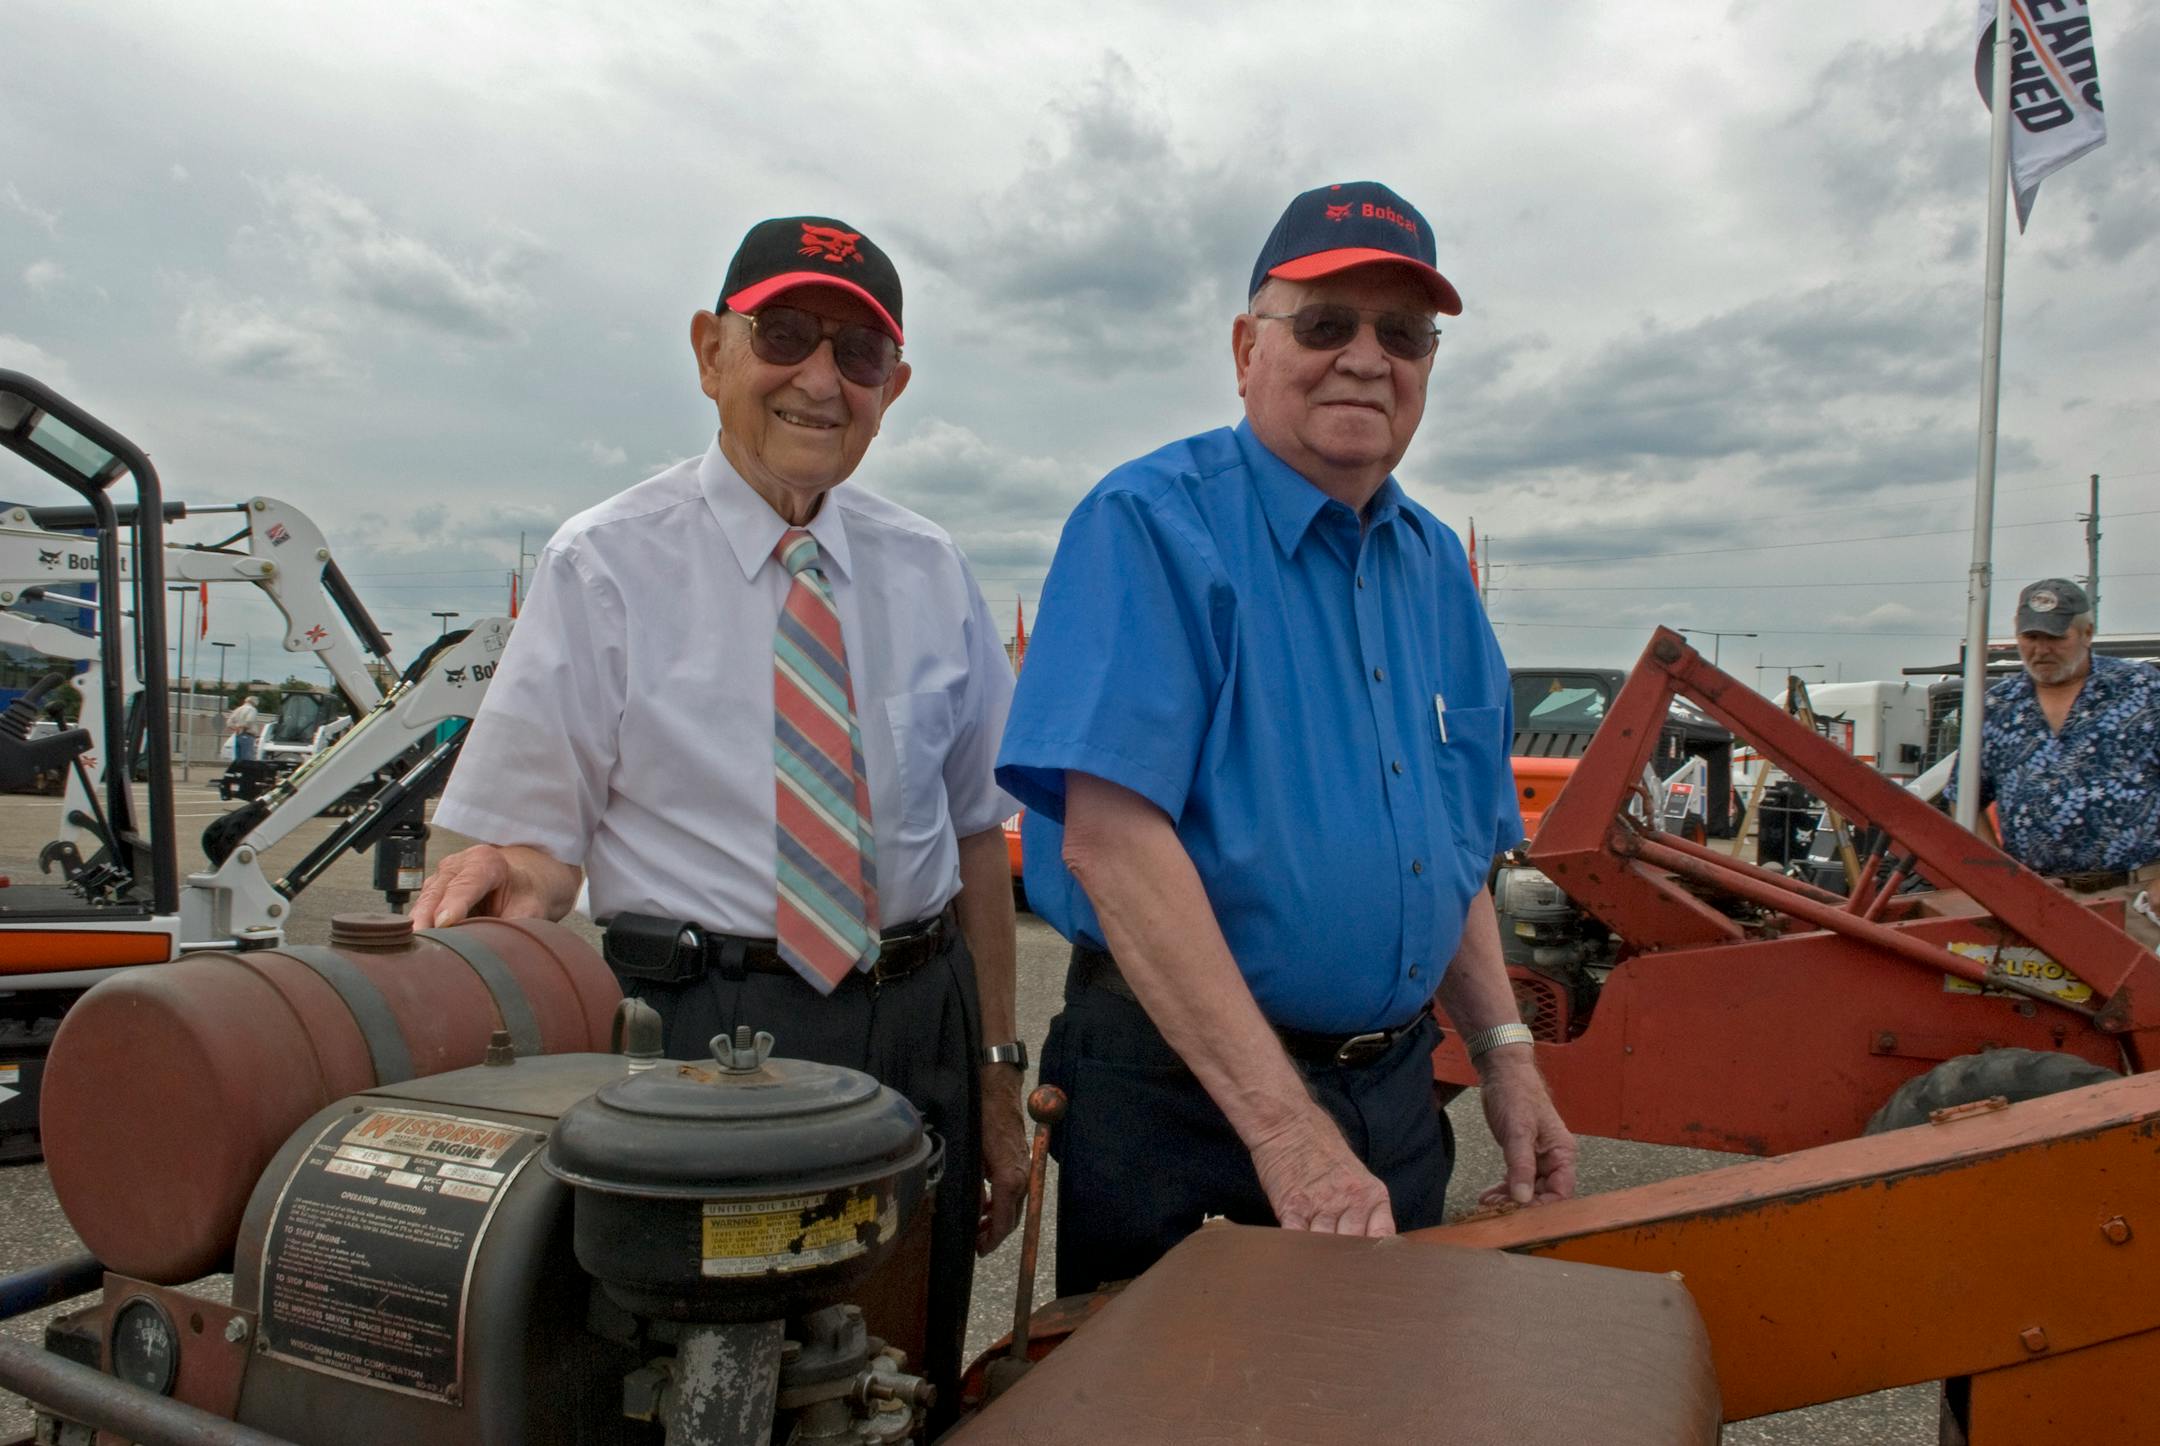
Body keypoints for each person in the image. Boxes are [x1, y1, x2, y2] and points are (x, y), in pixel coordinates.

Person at [408, 214, 1027, 1422]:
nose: (818, 377)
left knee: (903, 1371)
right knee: (710, 1394)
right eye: (784, 335)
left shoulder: (929, 568)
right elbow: (531, 840)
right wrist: (498, 874)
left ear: (892, 389)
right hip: (707, 1039)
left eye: (857, 354)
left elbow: (971, 844)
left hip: (918, 1021)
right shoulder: (606, 564)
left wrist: (996, 1078)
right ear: (710, 351)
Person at [995, 180, 1577, 1297]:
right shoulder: (1151, 525)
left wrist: (1504, 1055)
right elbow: (1111, 847)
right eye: (1324, 323)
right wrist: (1288, 1133)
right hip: (1189, 1103)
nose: (1366, 357)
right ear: (1243, 346)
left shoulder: (1433, 571)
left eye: (1402, 333)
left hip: (1396, 1095)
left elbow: (1451, 851)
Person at [1964, 578, 2160, 907]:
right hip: (2036, 901)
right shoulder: (1998, 706)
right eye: (2031, 637)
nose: (2041, 650)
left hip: (2138, 899)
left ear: (2087, 633)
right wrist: (1999, 880)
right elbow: (1965, 800)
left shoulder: (2143, 689)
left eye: (2055, 637)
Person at [223, 694, 261, 761]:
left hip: (237, 736)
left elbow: (229, 723)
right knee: (247, 759)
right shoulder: (252, 709)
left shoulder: (238, 709)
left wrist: (236, 728)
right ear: (254, 703)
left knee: (237, 759)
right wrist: (242, 728)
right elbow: (249, 721)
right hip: (247, 736)